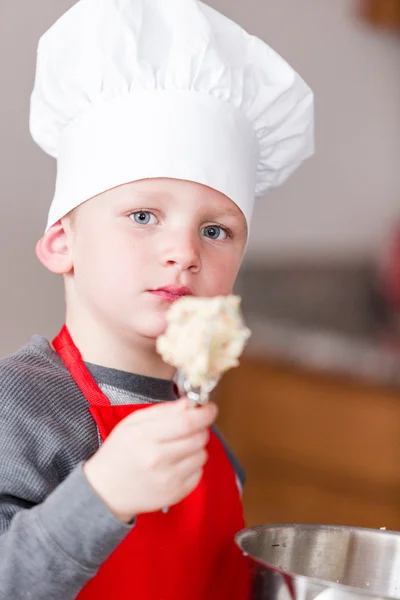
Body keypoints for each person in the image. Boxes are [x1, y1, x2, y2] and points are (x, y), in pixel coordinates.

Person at [0, 0, 314, 598]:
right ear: (62, 243)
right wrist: (101, 496)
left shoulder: (205, 438)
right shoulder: (16, 409)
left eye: (215, 230)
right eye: (143, 215)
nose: (185, 252)